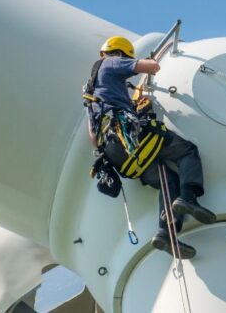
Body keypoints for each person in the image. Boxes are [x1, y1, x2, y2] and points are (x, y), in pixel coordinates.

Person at [85, 36, 217, 259]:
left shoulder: (91, 90)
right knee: (186, 151)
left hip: (115, 152)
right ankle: (189, 198)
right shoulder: (112, 62)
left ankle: (166, 234)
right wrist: (148, 62)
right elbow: (152, 67)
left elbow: (93, 138)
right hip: (127, 134)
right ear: (120, 53)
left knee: (168, 178)